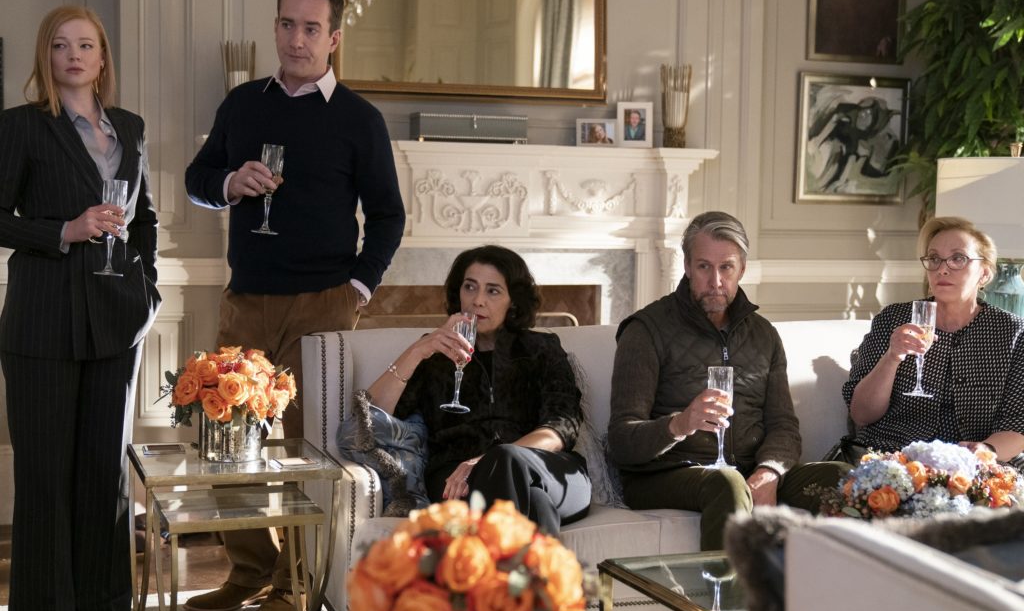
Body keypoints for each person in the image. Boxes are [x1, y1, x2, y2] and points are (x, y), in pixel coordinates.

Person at [183, 0, 405, 611]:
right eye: (287, 24)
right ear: (275, 27)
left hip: (323, 306)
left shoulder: (360, 120)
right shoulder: (242, 105)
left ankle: (297, 582)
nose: (296, 39)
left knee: (311, 452)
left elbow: (388, 216)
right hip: (246, 302)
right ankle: (249, 570)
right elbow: (198, 179)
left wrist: (357, 290)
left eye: (311, 28)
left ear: (333, 38)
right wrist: (229, 182)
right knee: (228, 443)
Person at [0, 5, 160, 611]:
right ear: (47, 56)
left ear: (102, 58)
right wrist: (65, 230)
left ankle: (102, 610)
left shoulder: (131, 127)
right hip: (42, 317)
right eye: (61, 45)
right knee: (45, 472)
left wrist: (147, 289)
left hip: (116, 319)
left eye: (86, 45)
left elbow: (144, 218)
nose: (73, 55)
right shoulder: (21, 126)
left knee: (104, 469)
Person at [607, 211, 849, 550]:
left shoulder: (763, 335)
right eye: (704, 267)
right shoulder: (646, 330)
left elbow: (783, 426)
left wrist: (769, 472)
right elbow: (621, 441)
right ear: (687, 266)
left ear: (742, 269)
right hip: (664, 474)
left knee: (843, 478)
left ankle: (833, 585)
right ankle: (723, 587)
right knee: (727, 482)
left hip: (746, 470)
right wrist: (680, 424)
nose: (716, 281)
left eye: (726, 267)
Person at [359, 245, 592, 533]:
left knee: (507, 460)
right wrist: (418, 350)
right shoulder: (435, 355)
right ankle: (542, 564)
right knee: (536, 503)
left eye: (493, 291)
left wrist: (490, 460)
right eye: (470, 287)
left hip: (546, 468)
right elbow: (370, 418)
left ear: (513, 300)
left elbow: (561, 426)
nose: (477, 300)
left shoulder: (541, 349)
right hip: (457, 479)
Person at [843, 217, 1024, 468]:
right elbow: (862, 414)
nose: (942, 269)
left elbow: (1018, 424)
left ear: (984, 273)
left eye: (958, 258)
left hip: (972, 466)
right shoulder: (893, 319)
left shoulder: (1012, 332)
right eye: (934, 258)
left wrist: (984, 451)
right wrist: (892, 357)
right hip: (890, 458)